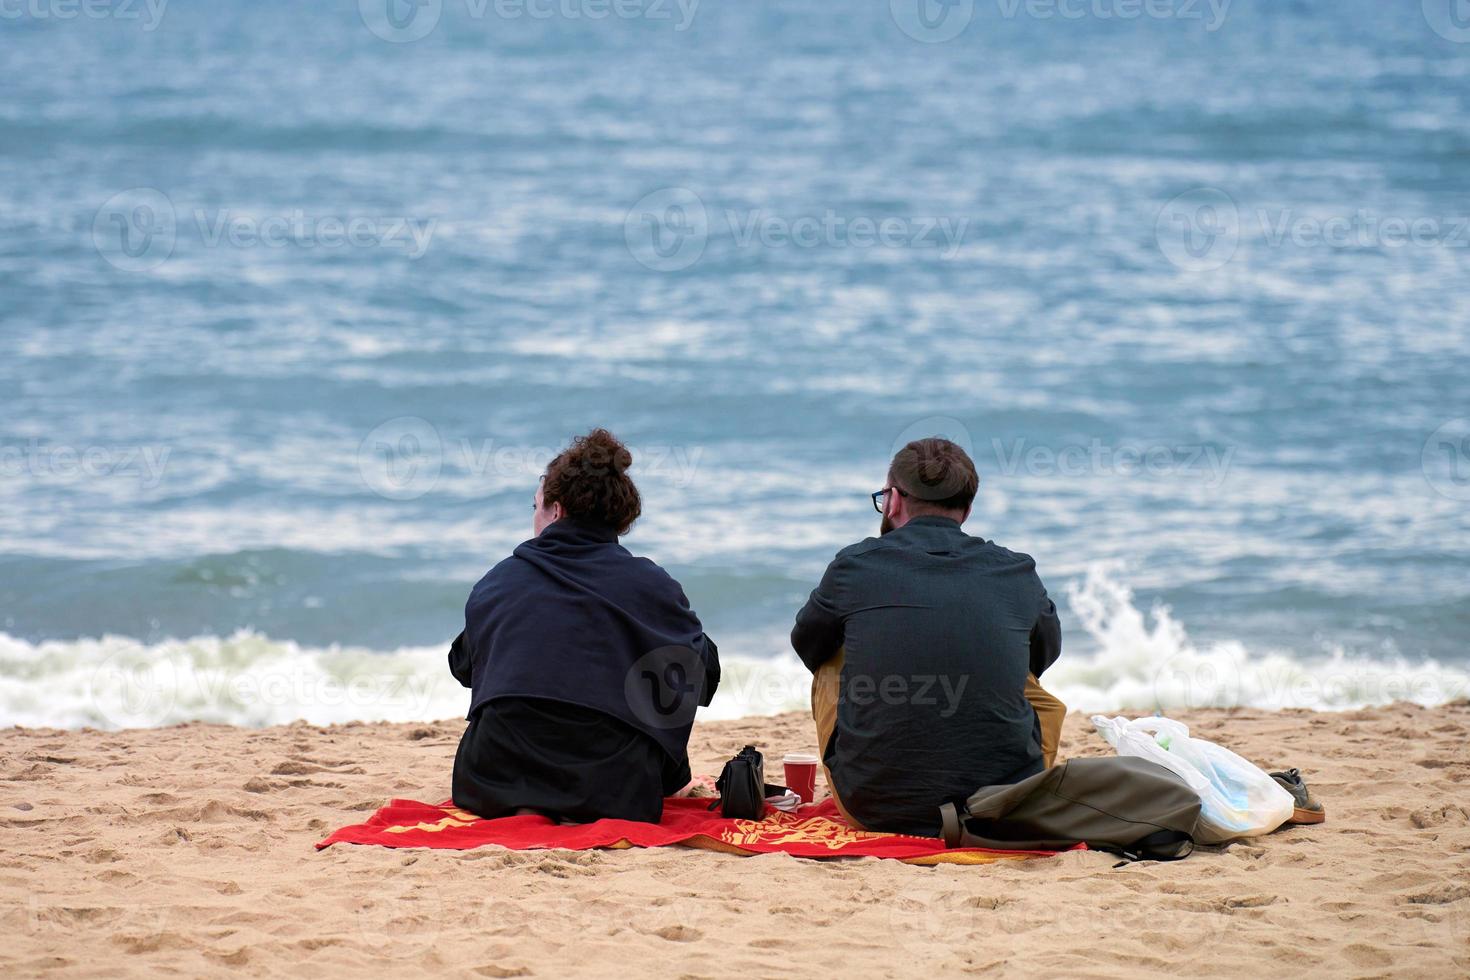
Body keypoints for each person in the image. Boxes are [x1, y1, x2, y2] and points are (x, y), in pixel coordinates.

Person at [790, 437, 1066, 837]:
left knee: (831, 656)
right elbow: (1043, 655)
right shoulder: (1015, 571)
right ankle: (1015, 776)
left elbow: (807, 645)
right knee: (1022, 674)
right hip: (1004, 806)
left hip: (873, 807)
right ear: (967, 510)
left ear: (894, 501)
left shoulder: (854, 565)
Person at [449, 428, 720, 823]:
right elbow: (703, 676)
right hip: (615, 791)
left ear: (556, 511)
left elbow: (463, 667)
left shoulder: (500, 580)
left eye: (536, 506)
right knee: (663, 675)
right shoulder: (652, 585)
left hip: (492, 780)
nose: (534, 516)